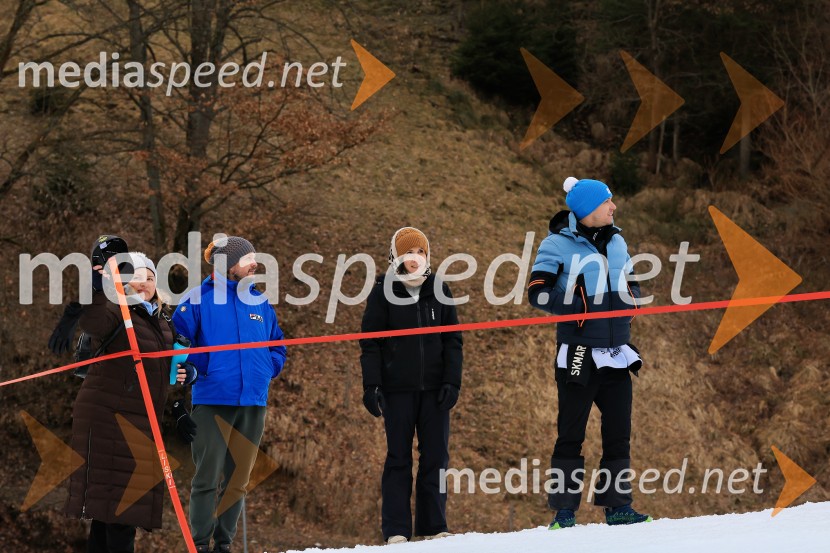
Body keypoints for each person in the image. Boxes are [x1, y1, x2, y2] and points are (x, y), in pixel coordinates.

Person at [528, 177, 651, 529]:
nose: (613, 207)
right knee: (571, 434)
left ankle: (618, 506)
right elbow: (538, 292)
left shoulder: (617, 241)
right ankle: (564, 511)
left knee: (618, 432)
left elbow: (633, 282)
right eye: (607, 202)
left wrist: (632, 300)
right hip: (578, 355)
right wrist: (577, 307)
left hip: (616, 353)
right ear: (588, 209)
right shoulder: (556, 244)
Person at [65, 251, 197, 553]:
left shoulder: (162, 322)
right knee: (122, 509)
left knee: (109, 513)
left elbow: (165, 371)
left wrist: (186, 376)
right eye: (137, 276)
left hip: (139, 420)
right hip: (109, 419)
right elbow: (92, 320)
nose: (145, 282)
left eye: (150, 277)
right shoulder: (116, 311)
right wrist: (98, 283)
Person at [172, 236, 287, 553]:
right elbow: (178, 344)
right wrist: (195, 368)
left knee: (238, 482)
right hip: (212, 402)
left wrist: (268, 367)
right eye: (248, 258)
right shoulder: (198, 299)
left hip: (253, 403)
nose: (255, 264)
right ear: (227, 265)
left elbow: (277, 345)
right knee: (207, 479)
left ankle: (223, 544)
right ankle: (200, 544)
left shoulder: (260, 302)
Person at [360, 227, 463, 545]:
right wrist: (372, 385)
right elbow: (371, 343)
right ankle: (396, 530)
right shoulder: (383, 291)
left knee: (436, 457)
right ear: (396, 257)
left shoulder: (439, 288)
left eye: (419, 252)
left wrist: (452, 381)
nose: (414, 258)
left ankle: (434, 525)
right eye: (408, 253)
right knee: (398, 458)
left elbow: (453, 341)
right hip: (397, 390)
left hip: (435, 390)